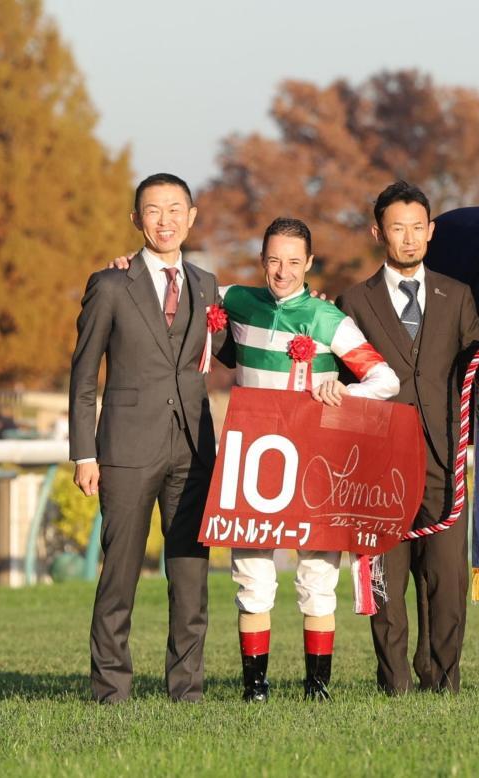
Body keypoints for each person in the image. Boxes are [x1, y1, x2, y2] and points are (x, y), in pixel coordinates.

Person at [337, 181, 479, 694]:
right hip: (377, 467)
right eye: (398, 228)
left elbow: (477, 370)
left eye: (418, 228)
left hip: (445, 460)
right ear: (379, 232)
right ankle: (393, 682)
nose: (409, 238)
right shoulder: (351, 303)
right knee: (387, 585)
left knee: (448, 581)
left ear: (431, 232)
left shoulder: (456, 295)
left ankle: (444, 680)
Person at [220, 217, 401, 703]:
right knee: (252, 577)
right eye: (274, 260)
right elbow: (181, 290)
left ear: (309, 264)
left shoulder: (328, 319)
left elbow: (387, 381)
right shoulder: (236, 299)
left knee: (318, 579)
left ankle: (316, 689)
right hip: (255, 461)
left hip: (315, 464)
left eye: (294, 262)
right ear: (262, 260)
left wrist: (344, 387)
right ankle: (253, 690)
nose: (282, 271)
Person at [69, 173, 233, 703]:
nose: (165, 220)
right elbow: (83, 374)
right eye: (153, 211)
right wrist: (85, 453)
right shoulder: (111, 283)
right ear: (136, 220)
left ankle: (186, 688)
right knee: (118, 577)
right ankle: (110, 688)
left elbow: (233, 342)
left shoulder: (208, 284)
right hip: (125, 450)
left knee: (190, 576)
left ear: (191, 216)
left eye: (174, 210)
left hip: (192, 447)